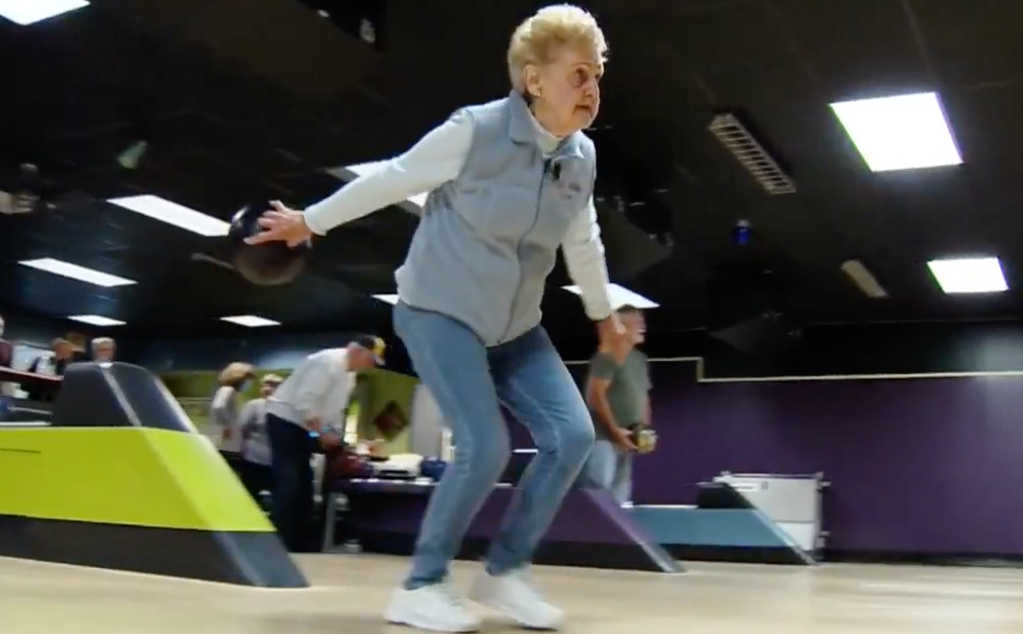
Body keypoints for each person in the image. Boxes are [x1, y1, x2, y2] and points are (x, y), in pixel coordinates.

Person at [247, 5, 625, 630]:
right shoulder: (473, 132)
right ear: (534, 80)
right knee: (485, 446)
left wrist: (602, 312)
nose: (592, 90)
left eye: (598, 76)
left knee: (575, 435)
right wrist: (307, 221)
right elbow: (394, 179)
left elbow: (582, 240)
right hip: (438, 310)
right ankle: (421, 585)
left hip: (515, 327)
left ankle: (505, 573)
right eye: (580, 74)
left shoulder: (580, 158)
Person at [264, 336, 384, 552]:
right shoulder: (328, 362)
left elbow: (331, 417)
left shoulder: (349, 376)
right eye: (371, 359)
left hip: (304, 427)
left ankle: (298, 543)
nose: (371, 365)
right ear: (357, 352)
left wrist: (336, 439)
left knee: (305, 485)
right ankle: (279, 544)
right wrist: (321, 434)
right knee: (289, 482)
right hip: (284, 421)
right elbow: (305, 402)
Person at [584, 305, 651, 505]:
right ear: (621, 327)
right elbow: (595, 396)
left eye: (642, 322)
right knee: (599, 491)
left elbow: (644, 396)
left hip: (628, 438)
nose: (643, 327)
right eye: (636, 323)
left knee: (620, 494)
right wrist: (614, 432)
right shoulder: (606, 357)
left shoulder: (639, 359)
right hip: (603, 438)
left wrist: (643, 431)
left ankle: (615, 536)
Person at [237, 373, 284, 500]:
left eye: (273, 386)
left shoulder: (288, 408)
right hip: (254, 458)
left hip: (279, 461)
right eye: (265, 385)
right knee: (250, 495)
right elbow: (242, 428)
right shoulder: (254, 405)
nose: (268, 388)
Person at [210, 362, 255, 463]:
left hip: (229, 440)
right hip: (226, 440)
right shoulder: (228, 390)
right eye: (248, 378)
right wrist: (227, 426)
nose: (250, 381)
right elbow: (218, 406)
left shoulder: (231, 391)